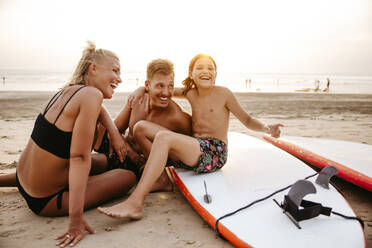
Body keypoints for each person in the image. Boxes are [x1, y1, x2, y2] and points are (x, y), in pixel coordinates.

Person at [97, 53, 284, 219]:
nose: (206, 71)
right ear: (191, 74)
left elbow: (247, 119)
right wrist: (140, 89)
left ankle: (135, 203)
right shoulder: (190, 93)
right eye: (200, 67)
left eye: (211, 68)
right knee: (140, 128)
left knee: (163, 137)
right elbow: (158, 88)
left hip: (214, 151)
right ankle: (160, 178)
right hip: (194, 149)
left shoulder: (223, 93)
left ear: (216, 74)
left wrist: (266, 128)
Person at [0, 42, 136, 247]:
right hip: (45, 199)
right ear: (93, 68)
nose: (119, 78)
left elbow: (99, 109)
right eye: (115, 71)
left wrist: (114, 132)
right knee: (127, 177)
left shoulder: (69, 91)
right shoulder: (92, 95)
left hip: (23, 177)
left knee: (105, 161)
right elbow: (79, 158)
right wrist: (75, 219)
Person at [92, 58, 192, 191]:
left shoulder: (177, 117)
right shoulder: (137, 100)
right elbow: (115, 130)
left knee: (92, 168)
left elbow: (193, 145)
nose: (166, 93)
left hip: (142, 168)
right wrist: (131, 153)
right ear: (147, 85)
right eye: (160, 85)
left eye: (171, 86)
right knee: (84, 164)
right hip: (122, 154)